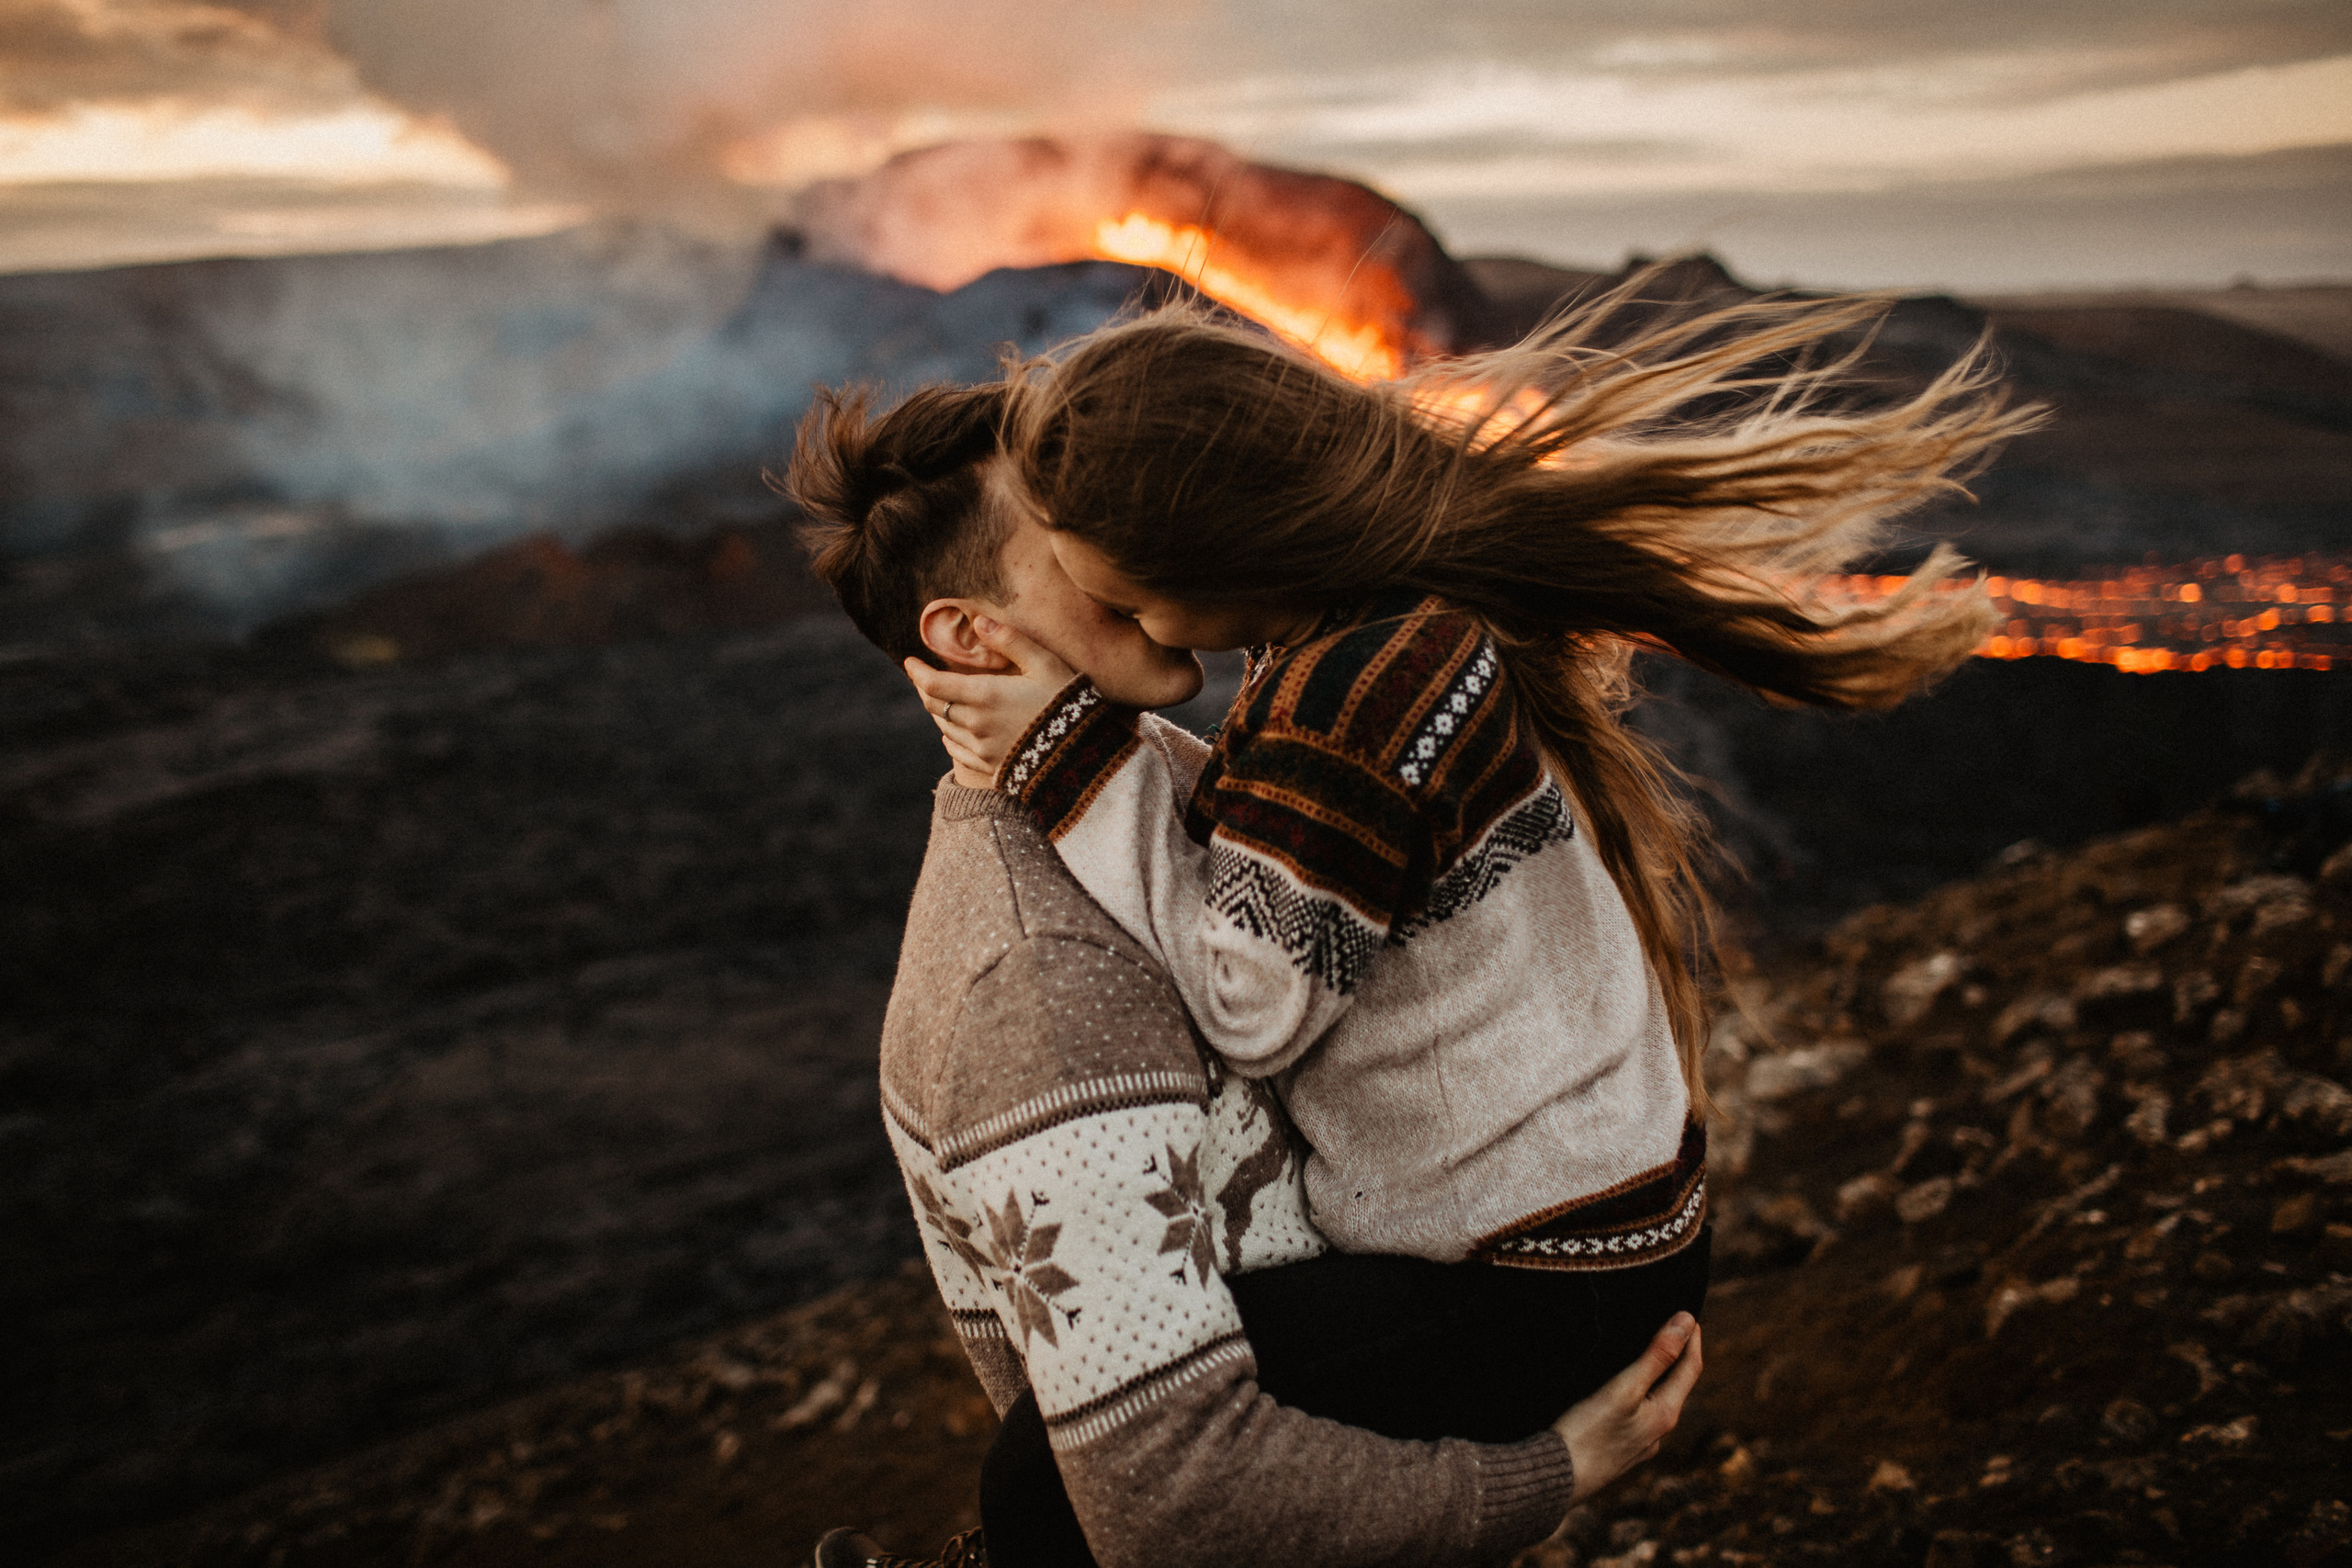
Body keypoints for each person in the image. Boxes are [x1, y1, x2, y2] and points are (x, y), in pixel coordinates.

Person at [902, 287, 2034, 1473]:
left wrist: (1070, 761)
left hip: (1530, 1281)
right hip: (1600, 1235)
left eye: (1127, 598)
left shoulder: (1354, 701)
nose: (1129, 623)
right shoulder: (1388, 627)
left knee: (1062, 1464)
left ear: (1223, 554)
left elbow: (1252, 1005)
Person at [787, 381, 1705, 1568]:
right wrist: (1546, 1474)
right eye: (1074, 539)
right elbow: (1169, 1498)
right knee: (1039, 1487)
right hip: (1547, 1251)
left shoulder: (1235, 739)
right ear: (972, 637)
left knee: (1037, 1486)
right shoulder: (1040, 980)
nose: (1127, 540)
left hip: (1548, 1254)